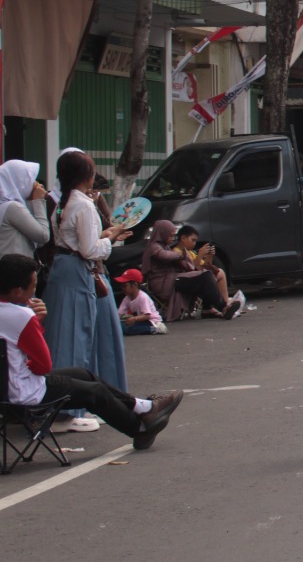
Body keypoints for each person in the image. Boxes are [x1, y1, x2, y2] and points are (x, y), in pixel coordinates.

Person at [0, 254, 184, 449]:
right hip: (22, 391)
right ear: (18, 292)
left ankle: (143, 407)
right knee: (93, 392)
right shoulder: (22, 316)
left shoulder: (14, 313)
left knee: (82, 374)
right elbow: (43, 365)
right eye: (33, 287)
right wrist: (36, 323)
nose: (35, 292)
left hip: (7, 387)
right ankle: (139, 428)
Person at [42, 150, 130, 432]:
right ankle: (68, 411)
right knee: (76, 339)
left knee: (64, 337)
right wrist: (110, 239)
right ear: (88, 176)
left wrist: (102, 237)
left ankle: (61, 408)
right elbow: (90, 249)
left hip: (62, 270)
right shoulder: (83, 205)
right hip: (77, 273)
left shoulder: (61, 202)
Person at [142, 220, 241, 320]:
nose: (172, 238)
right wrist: (180, 255)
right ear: (162, 233)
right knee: (205, 277)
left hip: (172, 279)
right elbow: (164, 255)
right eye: (170, 236)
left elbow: (189, 266)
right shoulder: (153, 247)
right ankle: (223, 307)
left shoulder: (166, 247)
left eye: (173, 236)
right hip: (163, 284)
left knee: (206, 275)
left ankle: (208, 308)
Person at [0, 159, 50, 259]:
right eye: (31, 179)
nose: (36, 184)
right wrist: (38, 201)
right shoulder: (13, 207)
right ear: (19, 181)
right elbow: (43, 236)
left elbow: (37, 241)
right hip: (16, 272)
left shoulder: (7, 205)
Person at [176, 225, 237, 306]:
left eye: (195, 241)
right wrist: (200, 254)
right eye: (193, 240)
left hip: (199, 277)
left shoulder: (190, 252)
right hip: (189, 281)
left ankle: (225, 302)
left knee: (218, 272)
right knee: (214, 275)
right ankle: (224, 304)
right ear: (183, 238)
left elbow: (204, 267)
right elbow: (191, 269)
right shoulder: (177, 252)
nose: (194, 244)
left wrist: (209, 257)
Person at [114, 268, 166, 335]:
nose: (123, 289)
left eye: (125, 286)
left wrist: (134, 319)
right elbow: (120, 314)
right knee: (120, 327)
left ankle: (156, 329)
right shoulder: (127, 298)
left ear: (134, 285)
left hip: (150, 321)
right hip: (140, 320)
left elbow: (147, 316)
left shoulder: (143, 297)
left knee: (130, 330)